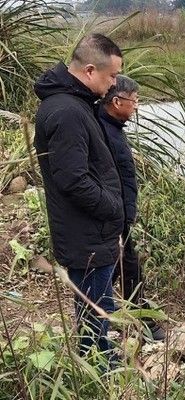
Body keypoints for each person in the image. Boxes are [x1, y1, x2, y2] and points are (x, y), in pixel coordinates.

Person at [34, 33, 123, 358]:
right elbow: (73, 180)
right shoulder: (67, 112)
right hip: (86, 236)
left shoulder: (74, 104)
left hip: (90, 233)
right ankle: (97, 370)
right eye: (111, 75)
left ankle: (105, 356)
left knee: (100, 305)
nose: (114, 84)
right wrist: (114, 207)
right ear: (89, 70)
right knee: (92, 312)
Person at [98, 75, 166, 341]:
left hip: (120, 216)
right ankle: (142, 320)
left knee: (121, 265)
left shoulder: (110, 127)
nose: (136, 106)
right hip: (114, 216)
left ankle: (109, 309)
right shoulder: (104, 132)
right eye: (134, 100)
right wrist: (119, 212)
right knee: (128, 266)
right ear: (116, 101)